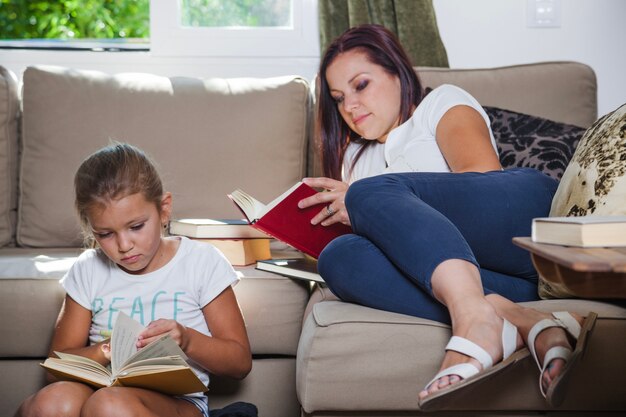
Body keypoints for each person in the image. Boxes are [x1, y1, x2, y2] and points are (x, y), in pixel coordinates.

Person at [298, 24, 596, 409]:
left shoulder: (440, 104)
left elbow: (483, 180)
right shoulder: (357, 159)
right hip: (495, 278)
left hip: (516, 220)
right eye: (338, 98)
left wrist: (372, 202)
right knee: (338, 258)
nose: (349, 106)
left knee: (370, 192)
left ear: (397, 72)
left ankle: (477, 324)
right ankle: (511, 315)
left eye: (361, 85)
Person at [16, 143, 253, 417]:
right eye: (105, 234)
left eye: (136, 227)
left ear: (164, 210)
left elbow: (240, 362)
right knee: (51, 403)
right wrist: (108, 350)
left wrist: (187, 340)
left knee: (109, 405)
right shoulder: (88, 269)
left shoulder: (200, 261)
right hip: (99, 390)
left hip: (176, 402)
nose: (124, 245)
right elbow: (56, 368)